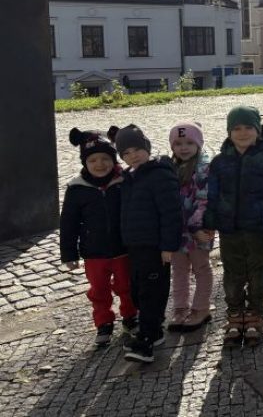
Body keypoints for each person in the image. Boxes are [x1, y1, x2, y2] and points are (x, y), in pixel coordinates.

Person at [205, 106, 263, 347]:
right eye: (237, 128)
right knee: (232, 274)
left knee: (257, 274)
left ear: (257, 131)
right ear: (229, 132)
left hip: (258, 229)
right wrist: (209, 224)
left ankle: (255, 315)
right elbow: (211, 196)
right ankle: (234, 314)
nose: (242, 133)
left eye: (248, 128)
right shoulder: (220, 162)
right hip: (229, 229)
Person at [111, 124, 182, 363]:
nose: (133, 156)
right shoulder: (128, 178)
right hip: (135, 246)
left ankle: (147, 340)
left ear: (147, 148)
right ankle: (154, 330)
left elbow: (171, 213)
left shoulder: (159, 174)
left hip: (155, 246)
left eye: (137, 150)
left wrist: (168, 246)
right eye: (126, 153)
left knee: (152, 292)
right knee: (138, 290)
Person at [60, 128, 137, 347]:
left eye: (105, 158)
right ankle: (103, 322)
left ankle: (130, 316)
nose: (100, 164)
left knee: (127, 285)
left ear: (114, 159)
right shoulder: (77, 189)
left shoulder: (124, 181)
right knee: (99, 290)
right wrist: (69, 254)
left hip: (123, 248)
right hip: (94, 252)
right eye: (93, 160)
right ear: (85, 162)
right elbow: (68, 223)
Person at [167, 121, 214, 332]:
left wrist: (196, 228)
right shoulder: (170, 168)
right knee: (179, 270)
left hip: (199, 230)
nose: (183, 148)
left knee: (201, 268)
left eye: (189, 143)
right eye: (178, 144)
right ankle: (180, 307)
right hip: (177, 231)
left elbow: (205, 200)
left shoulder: (204, 169)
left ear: (198, 144)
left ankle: (201, 307)